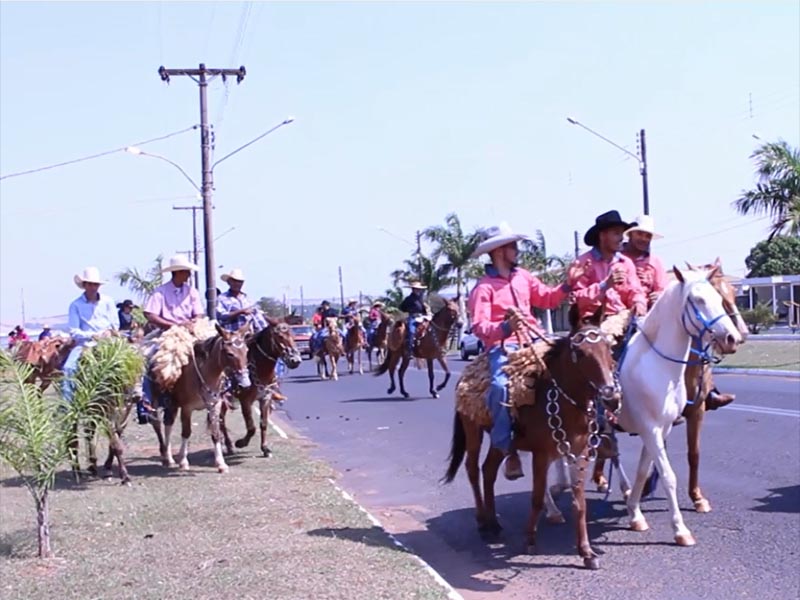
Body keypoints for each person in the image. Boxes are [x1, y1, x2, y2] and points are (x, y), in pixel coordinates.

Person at [469, 221, 583, 480]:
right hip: (504, 347)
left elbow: (547, 298)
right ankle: (507, 448)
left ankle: (596, 430)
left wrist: (567, 285)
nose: (517, 249)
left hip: (536, 338)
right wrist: (505, 327)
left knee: (580, 364)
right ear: (498, 251)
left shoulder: (524, 277)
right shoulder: (483, 287)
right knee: (499, 387)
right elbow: (480, 326)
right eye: (512, 246)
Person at [622, 215, 734, 410]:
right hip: (626, 313)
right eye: (640, 234)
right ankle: (614, 390)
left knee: (696, 337)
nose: (643, 239)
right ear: (630, 235)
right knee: (619, 347)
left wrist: (658, 296)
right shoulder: (620, 260)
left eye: (647, 236)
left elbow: (661, 286)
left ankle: (708, 389)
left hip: (656, 313)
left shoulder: (655, 262)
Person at [571, 210, 647, 322]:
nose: (621, 238)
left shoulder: (626, 263)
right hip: (591, 322)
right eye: (616, 233)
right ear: (602, 236)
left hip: (623, 318)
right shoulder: (583, 263)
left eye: (622, 233)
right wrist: (604, 286)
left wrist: (639, 303)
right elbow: (576, 299)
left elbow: (636, 291)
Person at [62, 267, 118, 403]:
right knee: (68, 368)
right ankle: (67, 407)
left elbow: (115, 324)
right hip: (85, 345)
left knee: (135, 363)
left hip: (108, 343)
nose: (93, 287)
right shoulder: (75, 305)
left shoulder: (108, 302)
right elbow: (74, 331)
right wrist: (92, 335)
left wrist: (110, 331)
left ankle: (139, 399)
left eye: (96, 284)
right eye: (90, 284)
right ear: (84, 285)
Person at [143, 255, 204, 330]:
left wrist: (195, 320)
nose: (189, 274)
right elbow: (150, 314)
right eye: (187, 271)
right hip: (166, 331)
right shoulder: (160, 292)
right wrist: (173, 325)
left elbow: (198, 313)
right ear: (178, 272)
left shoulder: (192, 292)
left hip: (189, 329)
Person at [216, 268, 267, 333]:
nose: (237, 284)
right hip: (230, 333)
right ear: (229, 282)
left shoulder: (246, 298)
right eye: (234, 281)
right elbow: (221, 316)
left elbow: (257, 316)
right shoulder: (222, 298)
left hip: (248, 333)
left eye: (240, 282)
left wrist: (264, 328)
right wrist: (240, 312)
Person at [399, 282, 428, 355]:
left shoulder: (421, 299)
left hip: (422, 316)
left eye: (419, 289)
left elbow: (423, 308)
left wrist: (426, 311)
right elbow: (402, 307)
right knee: (411, 331)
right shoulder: (408, 299)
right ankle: (409, 350)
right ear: (413, 289)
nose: (418, 291)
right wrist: (409, 310)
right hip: (413, 317)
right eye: (417, 289)